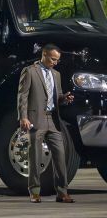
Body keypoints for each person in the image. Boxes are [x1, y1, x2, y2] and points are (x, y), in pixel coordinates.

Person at [18, 43, 75, 203]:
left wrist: (64, 98)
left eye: (57, 60)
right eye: (52, 59)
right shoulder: (30, 71)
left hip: (53, 119)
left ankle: (62, 192)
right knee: (35, 156)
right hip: (36, 119)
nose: (55, 62)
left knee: (60, 155)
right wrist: (23, 117)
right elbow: (22, 96)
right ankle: (34, 191)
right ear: (44, 54)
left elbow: (57, 96)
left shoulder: (56, 74)